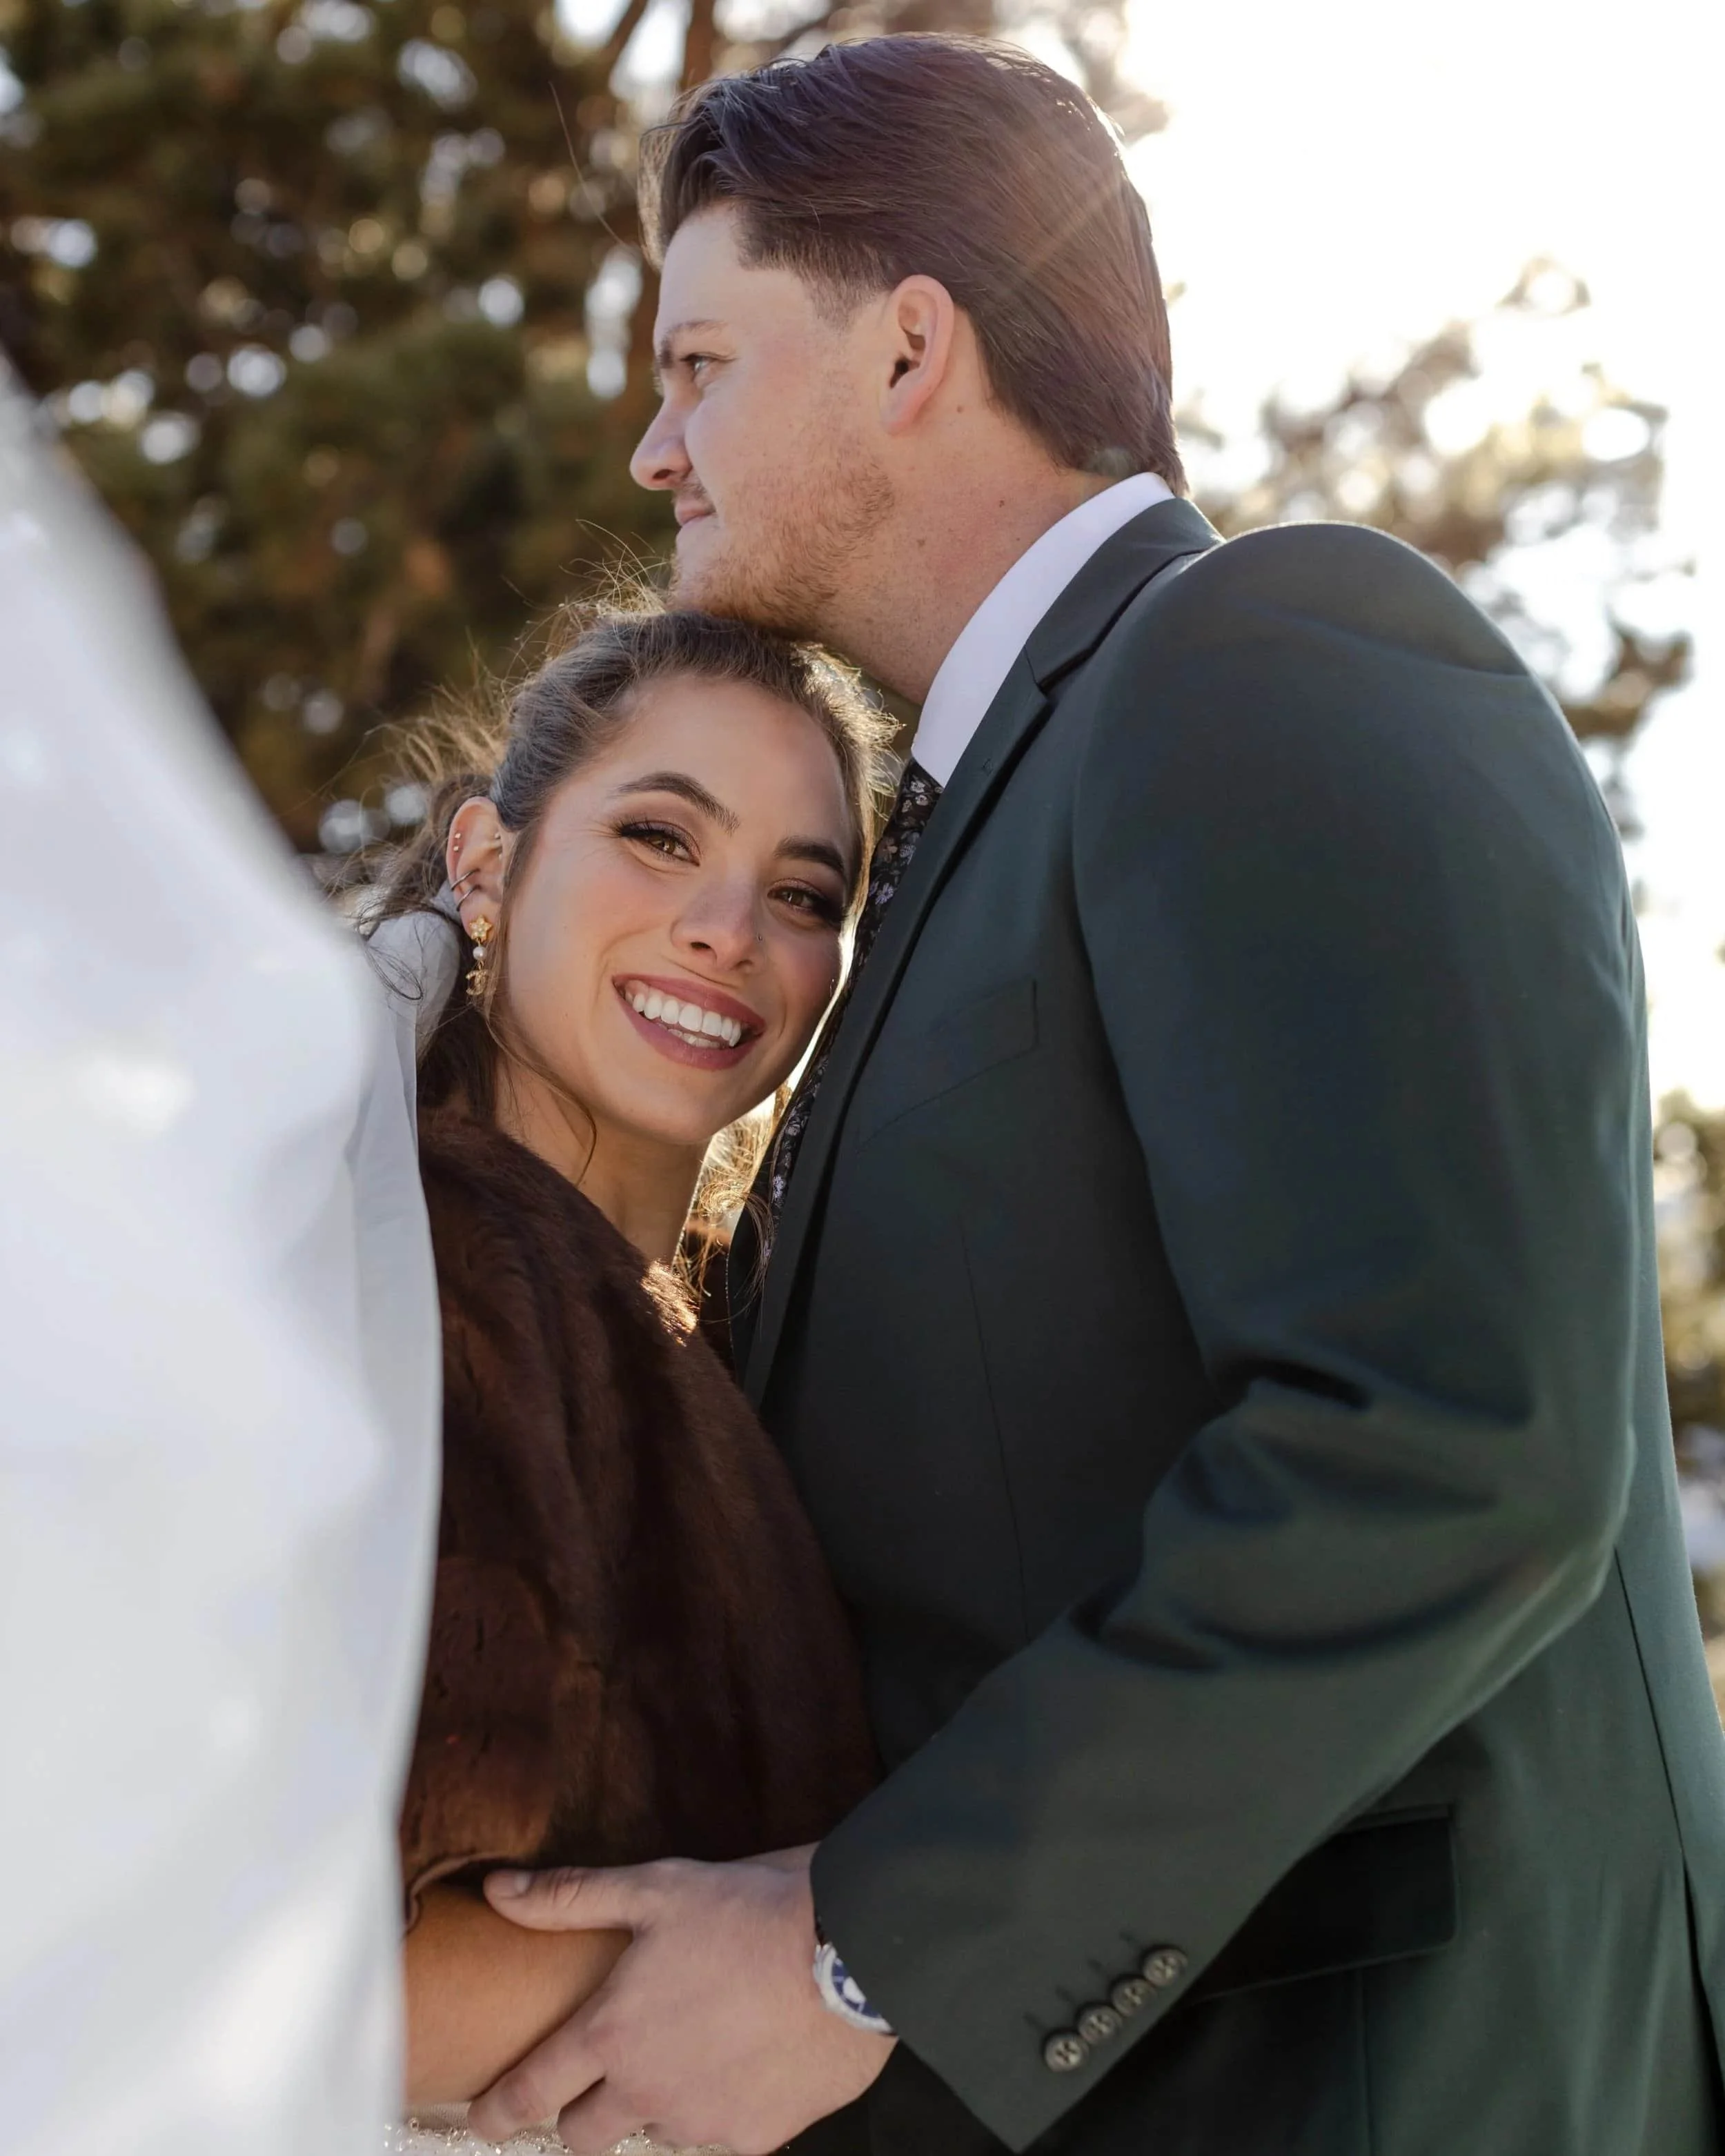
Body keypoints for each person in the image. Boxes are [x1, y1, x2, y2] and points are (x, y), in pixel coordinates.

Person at [463, 33, 1725, 2156]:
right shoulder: (958, 843)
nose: (653, 450)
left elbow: (1435, 1445)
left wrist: (863, 1945)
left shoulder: (1263, 651)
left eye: (696, 360)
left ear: (910, 350)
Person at [362, 600, 885, 2135]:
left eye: (803, 889)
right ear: (483, 860)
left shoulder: (717, 1344)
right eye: (660, 836)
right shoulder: (442, 1268)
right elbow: (300, 1964)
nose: (729, 926)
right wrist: (859, 1970)